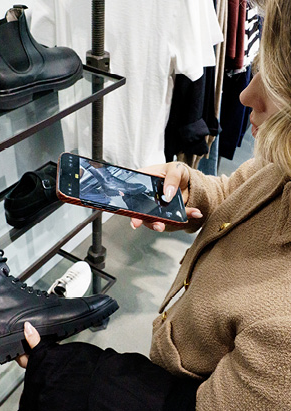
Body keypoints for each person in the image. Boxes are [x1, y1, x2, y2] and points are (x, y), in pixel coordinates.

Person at [17, 0, 291, 409]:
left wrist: (65, 372)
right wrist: (191, 189)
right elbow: (239, 188)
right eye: (257, 71)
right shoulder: (280, 166)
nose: (246, 94)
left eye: (272, 83)